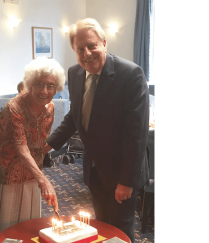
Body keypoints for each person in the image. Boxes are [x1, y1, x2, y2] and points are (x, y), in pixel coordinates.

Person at [44, 18, 149, 243]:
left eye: (92, 45)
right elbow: (75, 116)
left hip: (122, 174)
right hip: (93, 172)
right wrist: (47, 145)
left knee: (120, 233)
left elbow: (136, 136)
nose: (87, 53)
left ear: (104, 43)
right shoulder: (75, 73)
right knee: (101, 227)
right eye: (80, 49)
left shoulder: (130, 74)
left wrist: (127, 181)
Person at [0, 57, 65, 243]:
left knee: (29, 225)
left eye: (50, 86)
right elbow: (22, 148)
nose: (44, 91)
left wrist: (39, 173)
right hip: (5, 174)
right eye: (39, 84)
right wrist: (44, 181)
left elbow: (39, 143)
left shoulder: (50, 108)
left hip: (31, 174)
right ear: (30, 84)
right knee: (4, 226)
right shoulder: (14, 107)